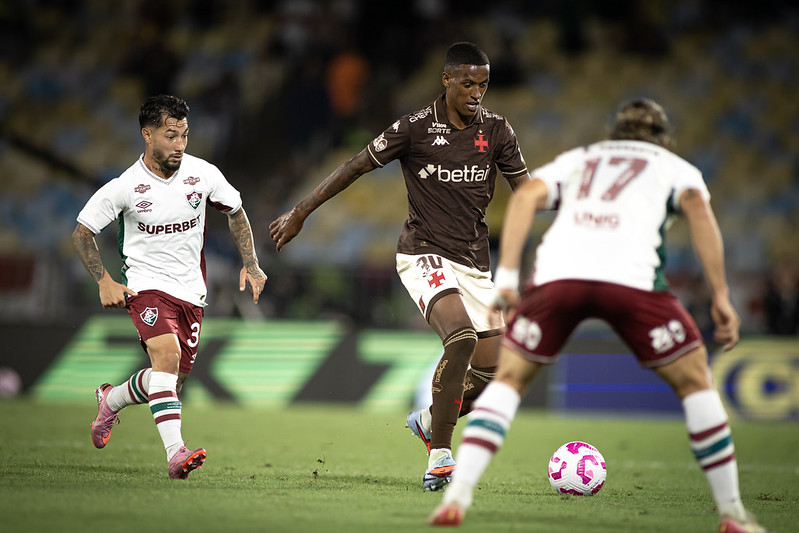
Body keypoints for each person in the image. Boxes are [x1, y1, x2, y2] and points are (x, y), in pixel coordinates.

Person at [428, 98, 770, 533]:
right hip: (631, 280)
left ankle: (457, 498)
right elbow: (699, 212)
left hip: (559, 276)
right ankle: (733, 513)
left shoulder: (582, 158)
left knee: (509, 382)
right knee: (696, 382)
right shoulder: (674, 167)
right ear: (663, 138)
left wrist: (509, 276)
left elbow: (528, 195)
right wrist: (721, 295)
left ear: (614, 134)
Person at [269, 42, 531, 491]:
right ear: (446, 80)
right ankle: (441, 457)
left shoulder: (498, 130)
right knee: (461, 337)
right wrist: (301, 211)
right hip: (424, 252)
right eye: (467, 83)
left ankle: (431, 421)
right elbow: (355, 166)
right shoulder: (414, 128)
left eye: (483, 84)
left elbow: (528, 191)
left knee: (496, 373)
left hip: (473, 263)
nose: (476, 93)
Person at [72, 94, 266, 479]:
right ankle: (176, 454)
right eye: (170, 135)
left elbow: (236, 212)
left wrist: (252, 263)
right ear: (147, 135)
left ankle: (110, 399)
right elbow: (82, 234)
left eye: (185, 135)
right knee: (165, 357)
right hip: (145, 286)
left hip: (191, 293)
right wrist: (105, 279)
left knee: (170, 379)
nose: (179, 144)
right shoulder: (125, 187)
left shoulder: (203, 174)